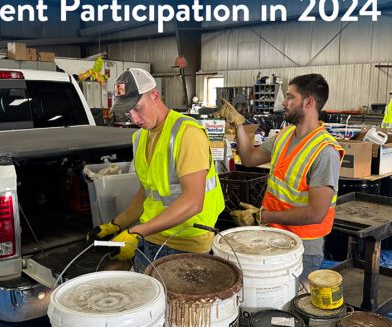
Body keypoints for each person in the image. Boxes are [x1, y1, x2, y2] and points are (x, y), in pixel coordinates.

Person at [88, 68, 225, 273]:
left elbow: (193, 202)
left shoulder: (187, 133)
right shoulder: (141, 137)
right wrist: (116, 225)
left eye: (137, 108)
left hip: (184, 244)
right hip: (149, 240)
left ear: (154, 96)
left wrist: (137, 232)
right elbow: (147, 192)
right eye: (128, 112)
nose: (134, 118)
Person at [225, 73, 344, 284]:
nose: (284, 102)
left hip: (302, 247)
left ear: (308, 102)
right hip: (271, 236)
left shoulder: (325, 151)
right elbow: (249, 158)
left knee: (290, 301)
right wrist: (239, 125)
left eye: (290, 97)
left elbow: (316, 213)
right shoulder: (284, 136)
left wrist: (264, 216)